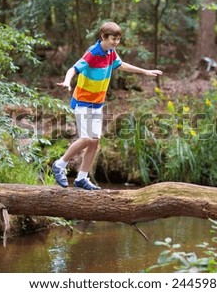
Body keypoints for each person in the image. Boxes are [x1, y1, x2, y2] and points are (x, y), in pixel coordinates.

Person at [52, 22, 163, 190]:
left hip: (97, 103)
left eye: (118, 39)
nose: (116, 42)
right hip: (83, 101)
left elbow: (121, 64)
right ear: (103, 37)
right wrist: (67, 81)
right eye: (113, 39)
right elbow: (73, 69)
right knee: (86, 138)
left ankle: (82, 178)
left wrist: (145, 71)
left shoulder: (111, 52)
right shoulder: (93, 53)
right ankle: (59, 165)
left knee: (95, 141)